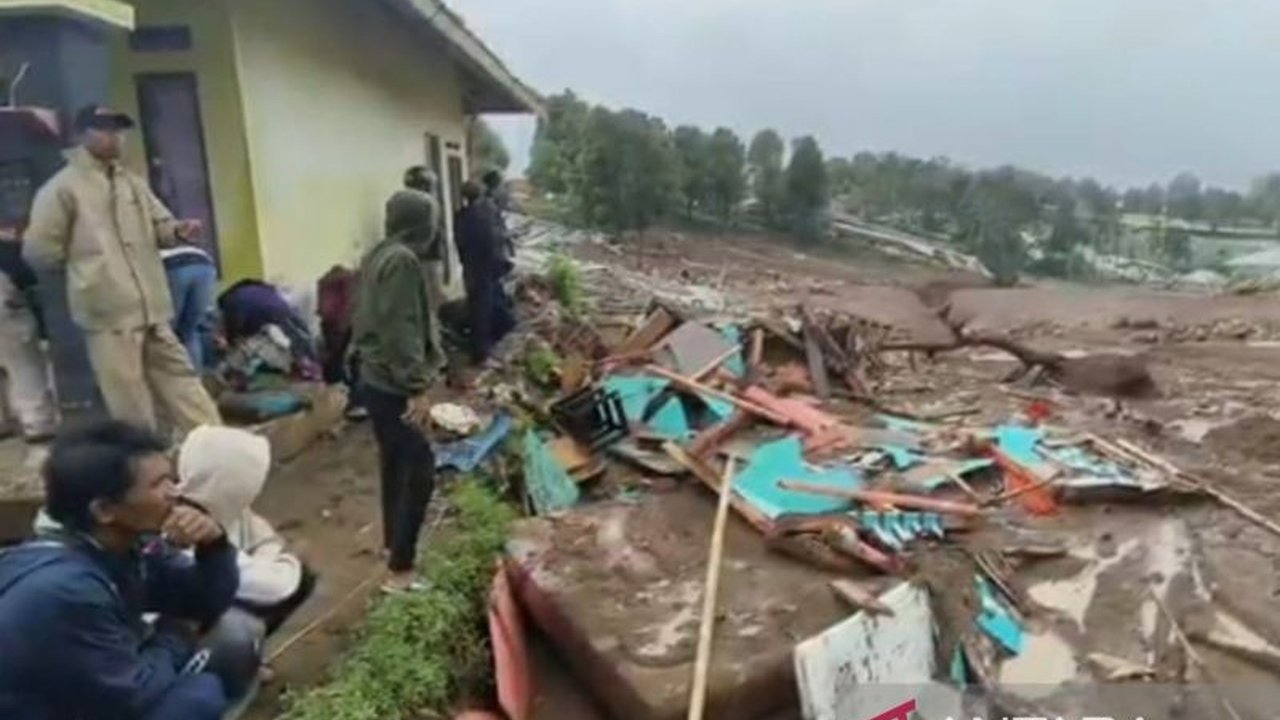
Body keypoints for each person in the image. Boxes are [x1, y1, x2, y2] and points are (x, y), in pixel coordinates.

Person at [0, 420, 252, 720]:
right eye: (159, 484)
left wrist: (213, 545)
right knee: (204, 692)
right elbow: (133, 693)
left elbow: (202, 600)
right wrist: (177, 635)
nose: (175, 492)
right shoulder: (64, 587)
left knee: (234, 640)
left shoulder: (120, 544)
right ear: (105, 510)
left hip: (93, 693)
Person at [22, 105, 220, 435]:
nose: (116, 137)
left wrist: (177, 230)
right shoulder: (63, 189)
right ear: (83, 134)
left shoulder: (132, 183)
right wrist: (91, 273)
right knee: (130, 402)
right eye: (105, 129)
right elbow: (39, 251)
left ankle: (217, 447)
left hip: (152, 307)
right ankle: (147, 470)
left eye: (119, 130)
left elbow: (161, 225)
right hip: (109, 313)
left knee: (183, 382)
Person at [352, 190, 443, 592]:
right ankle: (401, 570)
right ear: (421, 224)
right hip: (392, 382)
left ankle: (393, 546)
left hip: (373, 377)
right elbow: (402, 327)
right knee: (420, 469)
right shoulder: (404, 262)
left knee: (395, 464)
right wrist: (417, 387)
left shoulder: (378, 254)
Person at [177, 425, 316, 638]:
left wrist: (271, 551)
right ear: (235, 483)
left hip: (225, 589)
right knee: (239, 627)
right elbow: (276, 585)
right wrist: (288, 557)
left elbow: (264, 535)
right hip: (173, 629)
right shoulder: (185, 529)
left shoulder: (216, 503)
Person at [0, 236, 56, 443]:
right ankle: (37, 421)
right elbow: (27, 277)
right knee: (24, 364)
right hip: (6, 305)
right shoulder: (6, 247)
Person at [454, 180, 515, 365]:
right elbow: (496, 242)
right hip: (486, 270)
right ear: (480, 194)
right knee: (483, 312)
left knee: (486, 310)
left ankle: (484, 348)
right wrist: (503, 263)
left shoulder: (462, 215)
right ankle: (481, 354)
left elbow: (461, 246)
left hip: (474, 270)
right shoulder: (486, 213)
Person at [161, 244, 218, 372]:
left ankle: (170, 385)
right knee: (190, 332)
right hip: (204, 262)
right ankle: (196, 385)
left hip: (171, 264)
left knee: (165, 333)